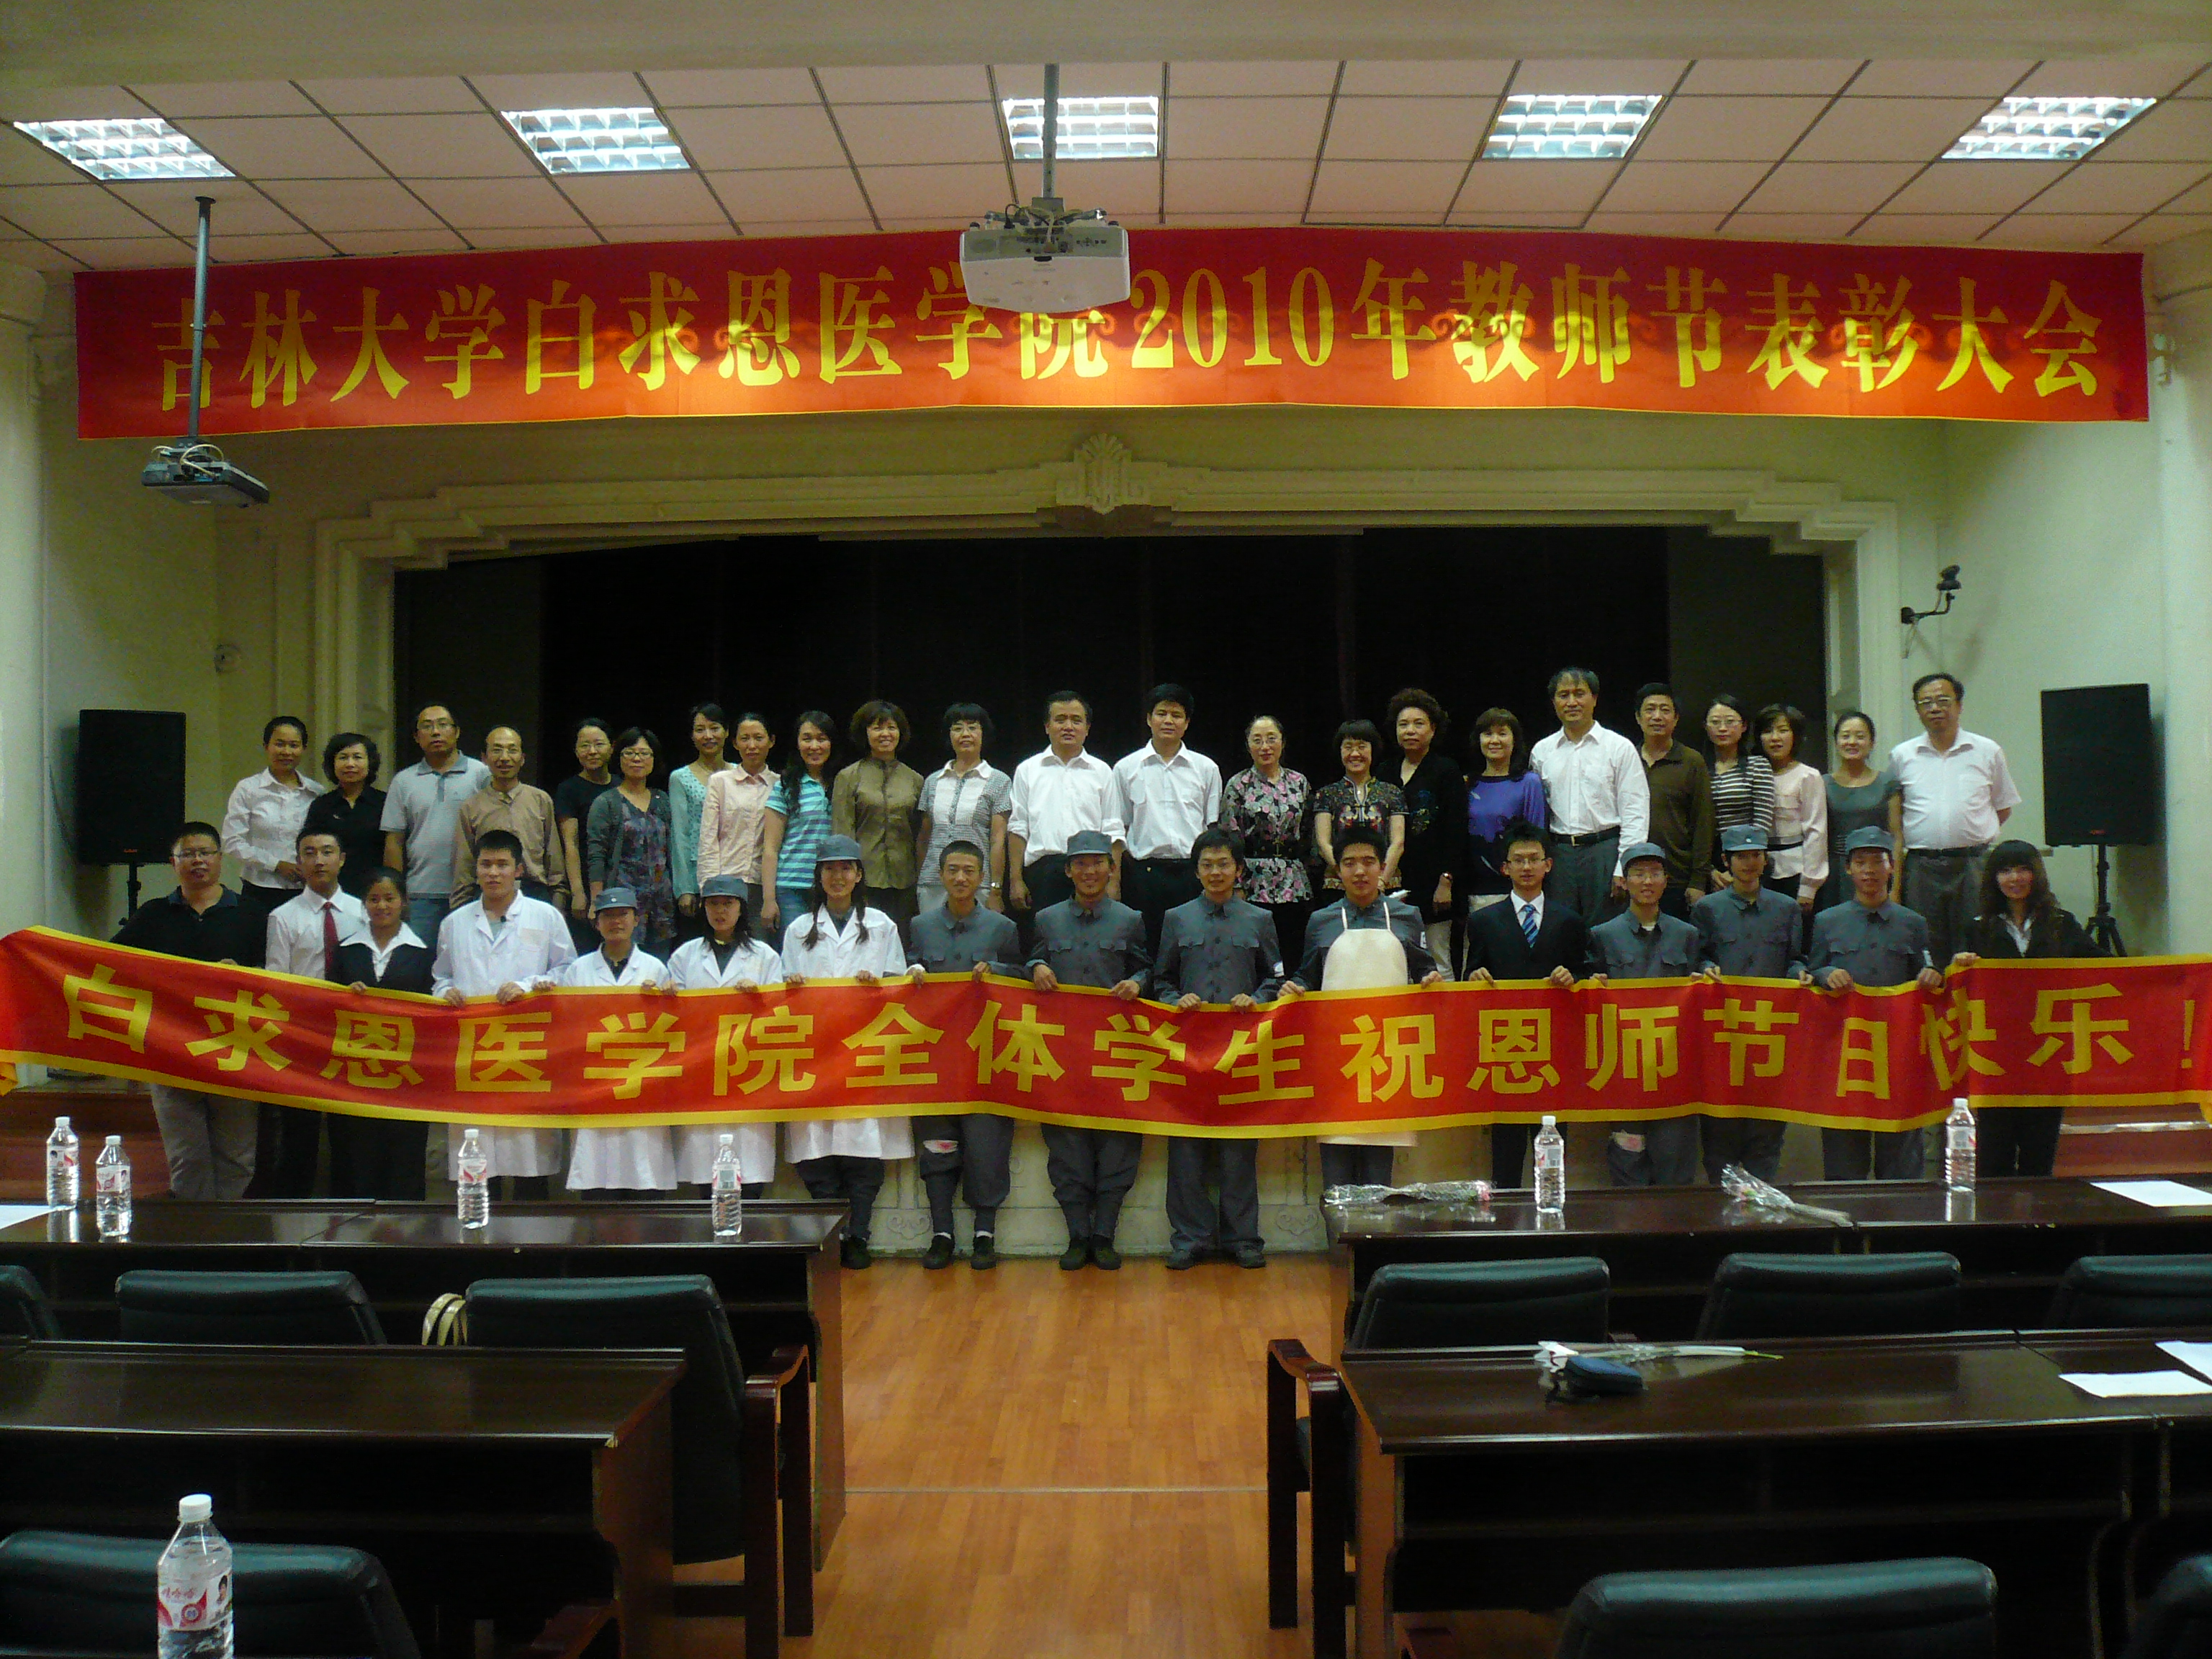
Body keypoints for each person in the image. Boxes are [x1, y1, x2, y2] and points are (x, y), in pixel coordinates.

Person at [1279, 826, 1443, 1191]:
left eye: (1369, 862)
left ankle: (1377, 1232)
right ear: (1337, 870)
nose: (1359, 871)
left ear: (1383, 867)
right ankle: (1338, 1231)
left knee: (1378, 1176)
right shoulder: (1320, 920)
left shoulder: (1407, 916)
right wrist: (1295, 987)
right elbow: (1308, 976)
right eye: (1349, 863)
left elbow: (1423, 968)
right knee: (1336, 1172)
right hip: (1337, 1059)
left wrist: (1430, 978)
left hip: (1388, 1061)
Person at [114, 822, 265, 1200]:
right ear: (173, 863)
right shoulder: (152, 915)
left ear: (220, 858)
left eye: (205, 853)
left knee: (237, 1156)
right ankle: (192, 1233)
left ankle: (229, 1233)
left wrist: (245, 974)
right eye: (188, 854)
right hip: (170, 1051)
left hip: (235, 1050)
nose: (198, 861)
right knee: (186, 1157)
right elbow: (110, 964)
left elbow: (279, 977)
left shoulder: (252, 914)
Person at [781, 835, 912, 1269]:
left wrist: (880, 987)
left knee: (863, 1147)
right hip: (815, 1054)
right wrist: (792, 988)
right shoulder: (798, 930)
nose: (838, 876)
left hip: (864, 1053)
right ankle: (830, 1236)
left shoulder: (882, 925)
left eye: (846, 868)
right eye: (829, 869)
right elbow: (781, 995)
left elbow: (898, 988)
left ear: (859, 875)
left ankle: (860, 1234)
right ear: (818, 876)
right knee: (815, 1147)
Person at [1154, 827, 1281, 1270]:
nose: (1215, 872)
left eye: (1223, 864)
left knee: (1238, 1149)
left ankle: (1243, 1239)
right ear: (1196, 872)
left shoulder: (1260, 920)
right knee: (1185, 1149)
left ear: (1239, 869)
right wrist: (1176, 999)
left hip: (1240, 1053)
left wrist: (1257, 999)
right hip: (1188, 1053)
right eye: (1206, 865)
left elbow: (1276, 979)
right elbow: (1161, 980)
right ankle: (1190, 1239)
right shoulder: (1176, 918)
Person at [1026, 828, 1150, 1269]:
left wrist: (1138, 982)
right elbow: (1027, 963)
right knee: (1067, 1148)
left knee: (1118, 1146)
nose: (1089, 871)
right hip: (1062, 1054)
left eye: (1098, 862)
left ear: (1112, 868)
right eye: (1080, 863)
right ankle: (1077, 1236)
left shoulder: (1131, 919)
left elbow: (1149, 970)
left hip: (1116, 1053)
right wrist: (1036, 965)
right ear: (1067, 871)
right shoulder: (1046, 919)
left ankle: (1104, 1236)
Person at [433, 829, 577, 1197]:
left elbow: (567, 971)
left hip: (526, 1050)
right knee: (479, 1160)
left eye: (502, 865)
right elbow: (441, 977)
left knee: (529, 1161)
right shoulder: (455, 923)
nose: (493, 873)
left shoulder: (545, 916)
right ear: (476, 870)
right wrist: (446, 992)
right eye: (486, 865)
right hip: (475, 1054)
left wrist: (530, 986)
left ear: (519, 870)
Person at [1951, 840, 2105, 1177]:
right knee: (1993, 1157)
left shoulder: (2062, 924)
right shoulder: (1976, 927)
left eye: (2023, 869)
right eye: (2006, 871)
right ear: (1994, 879)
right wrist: (1959, 963)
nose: (2015, 878)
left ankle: (2039, 1213)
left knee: (2040, 1156)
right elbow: (1954, 985)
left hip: (2048, 1053)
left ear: (2037, 875)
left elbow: (2108, 970)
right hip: (1996, 1058)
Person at [904, 840, 1024, 1269]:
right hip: (935, 1059)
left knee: (987, 1147)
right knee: (937, 1147)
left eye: (969, 871)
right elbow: (905, 972)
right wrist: (912, 972)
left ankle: (984, 1235)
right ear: (940, 875)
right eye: (953, 870)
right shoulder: (919, 925)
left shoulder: (1002, 928)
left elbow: (1024, 978)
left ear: (982, 878)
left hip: (986, 1058)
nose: (960, 878)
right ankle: (942, 1234)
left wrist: (999, 971)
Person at [1807, 824, 1948, 1180]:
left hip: (1897, 1055)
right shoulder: (1826, 921)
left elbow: (1928, 970)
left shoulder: (1913, 923)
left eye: (1877, 861)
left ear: (1892, 867)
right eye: (1860, 862)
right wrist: (1826, 974)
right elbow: (1810, 971)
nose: (1869, 870)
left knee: (1901, 1159)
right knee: (1844, 1161)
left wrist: (1933, 975)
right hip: (1845, 1056)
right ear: (1848, 870)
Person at [1462, 821, 1588, 1187]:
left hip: (1554, 1052)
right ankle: (1506, 1219)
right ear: (1506, 868)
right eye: (1519, 860)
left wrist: (1574, 977)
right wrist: (1474, 977)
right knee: (1506, 1151)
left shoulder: (1570, 921)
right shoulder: (1483, 921)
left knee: (1552, 1148)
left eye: (1534, 859)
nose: (1527, 867)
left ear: (1549, 865)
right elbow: (1470, 973)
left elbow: (1588, 972)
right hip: (1507, 1052)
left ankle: (1551, 1214)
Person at [1691, 824, 1807, 1183]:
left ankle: (1761, 1211)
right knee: (1719, 1141)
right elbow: (1697, 957)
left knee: (1766, 1138)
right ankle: (1721, 1210)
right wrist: (1706, 968)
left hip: (1770, 1040)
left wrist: (1800, 973)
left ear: (1765, 860)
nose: (1749, 863)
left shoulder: (1787, 908)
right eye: (1740, 857)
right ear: (1726, 861)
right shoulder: (1707, 909)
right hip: (1723, 1040)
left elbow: (1795, 959)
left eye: (1755, 855)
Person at [1584, 841, 1703, 1186]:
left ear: (1666, 880)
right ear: (1625, 881)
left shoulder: (1687, 934)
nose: (1647, 882)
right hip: (1624, 1073)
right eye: (1638, 874)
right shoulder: (1602, 935)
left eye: (1654, 873)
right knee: (1628, 1165)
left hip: (1674, 1072)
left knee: (1675, 1169)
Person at [260, 826, 368, 1197]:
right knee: (299, 1130)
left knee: (349, 1129)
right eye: (309, 853)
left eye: (327, 852)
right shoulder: (283, 917)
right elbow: (277, 982)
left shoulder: (363, 911)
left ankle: (350, 1209)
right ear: (298, 861)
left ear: (342, 859)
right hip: (303, 1033)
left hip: (352, 1033)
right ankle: (296, 1211)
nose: (319, 860)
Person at [667, 874, 787, 1200]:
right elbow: (673, 1018)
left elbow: (781, 1015)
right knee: (704, 1169)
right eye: (713, 904)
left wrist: (759, 999)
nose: (720, 911)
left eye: (728, 904)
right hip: (702, 1071)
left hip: (749, 1072)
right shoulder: (684, 956)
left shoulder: (765, 956)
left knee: (750, 1170)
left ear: (741, 908)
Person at [549, 888, 674, 1200]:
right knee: (597, 1184)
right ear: (596, 923)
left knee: (644, 1182)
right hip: (595, 1085)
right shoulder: (578, 970)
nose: (616, 922)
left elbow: (673, 1031)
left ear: (637, 919)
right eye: (608, 916)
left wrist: (662, 1000)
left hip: (641, 1086)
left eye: (623, 914)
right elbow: (565, 1027)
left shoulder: (655, 969)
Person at [1891, 672, 2020, 965]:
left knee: (1977, 943)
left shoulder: (1987, 751)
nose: (1935, 708)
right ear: (1917, 710)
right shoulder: (1901, 756)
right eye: (1926, 703)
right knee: (1926, 948)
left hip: (1973, 865)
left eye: (1943, 700)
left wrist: (1970, 834)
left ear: (1959, 705)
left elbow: (2003, 807)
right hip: (1921, 867)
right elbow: (1896, 817)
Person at [332, 866, 433, 1200]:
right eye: (374, 899)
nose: (382, 906)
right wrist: (345, 996)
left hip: (406, 1076)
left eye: (389, 898)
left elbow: (432, 1014)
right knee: (358, 1154)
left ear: (403, 902)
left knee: (405, 1156)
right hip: (357, 1074)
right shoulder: (347, 950)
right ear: (364, 904)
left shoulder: (423, 952)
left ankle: (406, 1226)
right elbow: (327, 1006)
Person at [1530, 667, 1647, 927]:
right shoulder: (1542, 751)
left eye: (1579, 694)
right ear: (1554, 702)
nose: (1571, 702)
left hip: (1605, 851)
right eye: (1564, 695)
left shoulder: (1619, 747)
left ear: (1594, 699)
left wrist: (1624, 865)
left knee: (1605, 932)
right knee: (1560, 931)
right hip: (1559, 853)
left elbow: (1635, 811)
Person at [1116, 682, 1224, 956]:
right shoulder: (1126, 768)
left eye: (1176, 715)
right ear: (1149, 719)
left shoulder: (1207, 768)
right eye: (1161, 713)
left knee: (1192, 948)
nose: (1168, 721)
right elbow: (1119, 827)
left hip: (1191, 873)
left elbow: (1211, 826)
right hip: (1144, 875)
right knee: (1147, 948)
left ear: (1186, 723)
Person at [381, 703, 490, 950]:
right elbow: (394, 841)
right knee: (417, 961)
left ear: (457, 732)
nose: (436, 732)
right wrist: (396, 892)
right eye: (427, 726)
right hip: (420, 895)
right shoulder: (403, 781)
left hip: (472, 892)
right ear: (416, 737)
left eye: (443, 725)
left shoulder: (481, 774)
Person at [1006, 691, 1124, 921]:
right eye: (1060, 720)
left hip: (1091, 873)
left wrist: (1114, 881)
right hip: (1043, 873)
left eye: (1076, 720)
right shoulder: (1028, 770)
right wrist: (1016, 880)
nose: (1068, 726)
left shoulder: (1102, 771)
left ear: (1087, 728)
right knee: (1044, 939)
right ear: (1047, 726)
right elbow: (1018, 828)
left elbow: (1113, 829)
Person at [1218, 714, 1316, 970]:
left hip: (1293, 881)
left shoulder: (1299, 782)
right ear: (1248, 745)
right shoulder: (1238, 785)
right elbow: (1230, 837)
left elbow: (1309, 832)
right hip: (1253, 880)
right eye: (1257, 740)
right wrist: (1236, 884)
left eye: (1271, 739)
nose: (1265, 747)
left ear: (1282, 742)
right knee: (1256, 957)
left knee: (1293, 952)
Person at [1389, 688, 1467, 974]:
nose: (1410, 730)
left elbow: (1456, 831)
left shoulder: (1446, 770)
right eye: (1403, 724)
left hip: (1436, 884)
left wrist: (1446, 881)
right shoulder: (1385, 771)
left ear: (1433, 730)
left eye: (1418, 724)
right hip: (1394, 882)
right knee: (1398, 959)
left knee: (1438, 959)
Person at [221, 715, 327, 923]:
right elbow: (232, 841)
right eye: (279, 744)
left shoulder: (316, 792)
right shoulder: (248, 789)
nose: (286, 751)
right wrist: (276, 865)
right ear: (266, 746)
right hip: (260, 889)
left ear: (303, 749)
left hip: (306, 889)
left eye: (294, 745)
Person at [450, 727, 567, 912]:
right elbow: (464, 866)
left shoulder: (540, 800)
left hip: (534, 893)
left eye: (512, 750)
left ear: (522, 758)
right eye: (497, 750)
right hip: (488, 893)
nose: (504, 758)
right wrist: (460, 909)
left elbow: (554, 860)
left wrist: (558, 905)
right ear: (484, 758)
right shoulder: (471, 807)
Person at [832, 698, 924, 932]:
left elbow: (920, 835)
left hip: (905, 881)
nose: (885, 734)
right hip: (863, 881)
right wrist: (847, 878)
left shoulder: (915, 780)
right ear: (865, 733)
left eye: (891, 727)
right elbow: (842, 834)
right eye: (877, 728)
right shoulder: (848, 777)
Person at [585, 727, 675, 956]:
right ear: (619, 757)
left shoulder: (662, 800)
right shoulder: (606, 803)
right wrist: (596, 900)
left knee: (658, 967)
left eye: (644, 753)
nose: (637, 759)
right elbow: (596, 855)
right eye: (630, 753)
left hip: (661, 904)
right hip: (622, 903)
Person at [915, 703, 1012, 917]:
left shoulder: (999, 781)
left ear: (983, 734)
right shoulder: (932, 781)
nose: (965, 734)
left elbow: (998, 840)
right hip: (932, 883)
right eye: (958, 728)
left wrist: (996, 889)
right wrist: (920, 878)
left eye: (973, 728)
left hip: (977, 883)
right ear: (949, 735)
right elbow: (924, 838)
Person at [1634, 683, 1714, 921]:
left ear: (1676, 719)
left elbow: (1703, 823)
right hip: (1633, 875)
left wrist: (1698, 881)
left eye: (1665, 710)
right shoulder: (1626, 758)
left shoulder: (1692, 761)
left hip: (1677, 876)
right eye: (1650, 710)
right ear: (1638, 718)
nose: (1657, 716)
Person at [760, 710, 837, 943]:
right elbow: (770, 848)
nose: (814, 746)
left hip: (833, 886)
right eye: (807, 739)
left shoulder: (843, 783)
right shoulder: (785, 785)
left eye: (822, 739)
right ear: (797, 743)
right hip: (791, 888)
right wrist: (769, 900)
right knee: (795, 955)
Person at [1465, 708, 1548, 923]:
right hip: (1475, 889)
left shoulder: (1529, 783)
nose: (1495, 740)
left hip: (1518, 889)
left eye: (1502, 733)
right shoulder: (1468, 784)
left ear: (1514, 740)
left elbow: (1536, 837)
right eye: (1488, 734)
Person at [697, 711, 780, 920]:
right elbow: (708, 839)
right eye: (745, 739)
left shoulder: (780, 784)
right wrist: (709, 886)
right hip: (726, 883)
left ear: (771, 741)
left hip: (765, 886)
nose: (752, 746)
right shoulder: (720, 782)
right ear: (735, 743)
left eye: (759, 738)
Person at [1758, 702, 1827, 942]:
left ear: (1795, 735)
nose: (1775, 738)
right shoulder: (1755, 773)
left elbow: (1816, 831)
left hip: (1796, 872)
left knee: (1795, 941)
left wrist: (1809, 886)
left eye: (1783, 730)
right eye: (1768, 731)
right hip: (1758, 871)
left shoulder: (1808, 776)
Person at [1312, 719, 1405, 896]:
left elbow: (1398, 843)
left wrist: (1380, 881)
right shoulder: (1326, 794)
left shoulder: (1392, 792)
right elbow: (1323, 844)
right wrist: (1347, 877)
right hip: (1338, 886)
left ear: (1373, 750)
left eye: (1362, 747)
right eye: (1348, 747)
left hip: (1386, 885)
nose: (1355, 754)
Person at [1821, 710, 1902, 911]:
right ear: (1836, 742)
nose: (1852, 742)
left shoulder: (1888, 782)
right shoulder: (1822, 784)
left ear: (1872, 743)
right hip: (1836, 872)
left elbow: (1897, 836)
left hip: (1878, 869)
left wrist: (1896, 887)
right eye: (1845, 736)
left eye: (1860, 736)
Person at [669, 701, 733, 938]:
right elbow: (680, 835)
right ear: (692, 736)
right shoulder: (680, 778)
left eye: (714, 728)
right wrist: (685, 889)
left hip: (735, 873)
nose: (708, 736)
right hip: (698, 879)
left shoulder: (740, 773)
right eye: (700, 730)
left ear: (727, 732)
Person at [554, 717, 616, 951]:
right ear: (576, 751)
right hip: (585, 882)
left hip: (618, 880)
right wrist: (578, 892)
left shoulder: (621, 786)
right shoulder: (568, 789)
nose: (592, 751)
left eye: (599, 744)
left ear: (612, 747)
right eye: (584, 745)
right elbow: (570, 843)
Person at [301, 731, 386, 899]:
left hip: (375, 892)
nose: (350, 764)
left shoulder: (385, 802)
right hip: (331, 891)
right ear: (332, 764)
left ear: (370, 763)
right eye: (343, 758)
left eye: (357, 757)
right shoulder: (322, 805)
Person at [1704, 693, 1776, 884]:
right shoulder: (1698, 767)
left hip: (1749, 856)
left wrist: (1738, 867)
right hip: (1709, 860)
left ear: (1744, 726)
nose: (1722, 728)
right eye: (1715, 722)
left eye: (1730, 722)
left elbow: (1762, 823)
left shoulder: (1758, 765)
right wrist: (1708, 869)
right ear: (1706, 726)